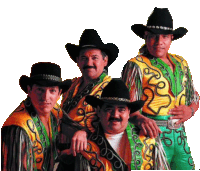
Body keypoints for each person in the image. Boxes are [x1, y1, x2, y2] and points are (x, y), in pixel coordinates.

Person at [122, 7, 199, 170]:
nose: (159, 42)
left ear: (171, 38)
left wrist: (190, 110)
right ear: (145, 36)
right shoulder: (136, 65)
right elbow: (125, 107)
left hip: (180, 137)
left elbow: (194, 97)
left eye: (164, 37)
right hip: (150, 138)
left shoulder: (181, 62)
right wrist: (141, 119)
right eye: (153, 37)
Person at [57, 29, 119, 169]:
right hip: (63, 154)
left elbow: (116, 125)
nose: (89, 62)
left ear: (105, 60)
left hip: (94, 157)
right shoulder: (71, 84)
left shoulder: (113, 88)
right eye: (84, 58)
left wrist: (84, 131)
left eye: (94, 58)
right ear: (78, 61)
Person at [77, 79, 167, 170]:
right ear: (99, 111)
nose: (115, 115)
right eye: (109, 109)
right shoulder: (87, 148)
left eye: (121, 109)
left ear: (129, 113)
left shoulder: (147, 139)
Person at [1, 62, 71, 171]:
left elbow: (74, 126)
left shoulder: (55, 110)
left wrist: (81, 133)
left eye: (52, 91)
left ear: (59, 93)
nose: (45, 97)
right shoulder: (18, 127)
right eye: (40, 90)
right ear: (29, 90)